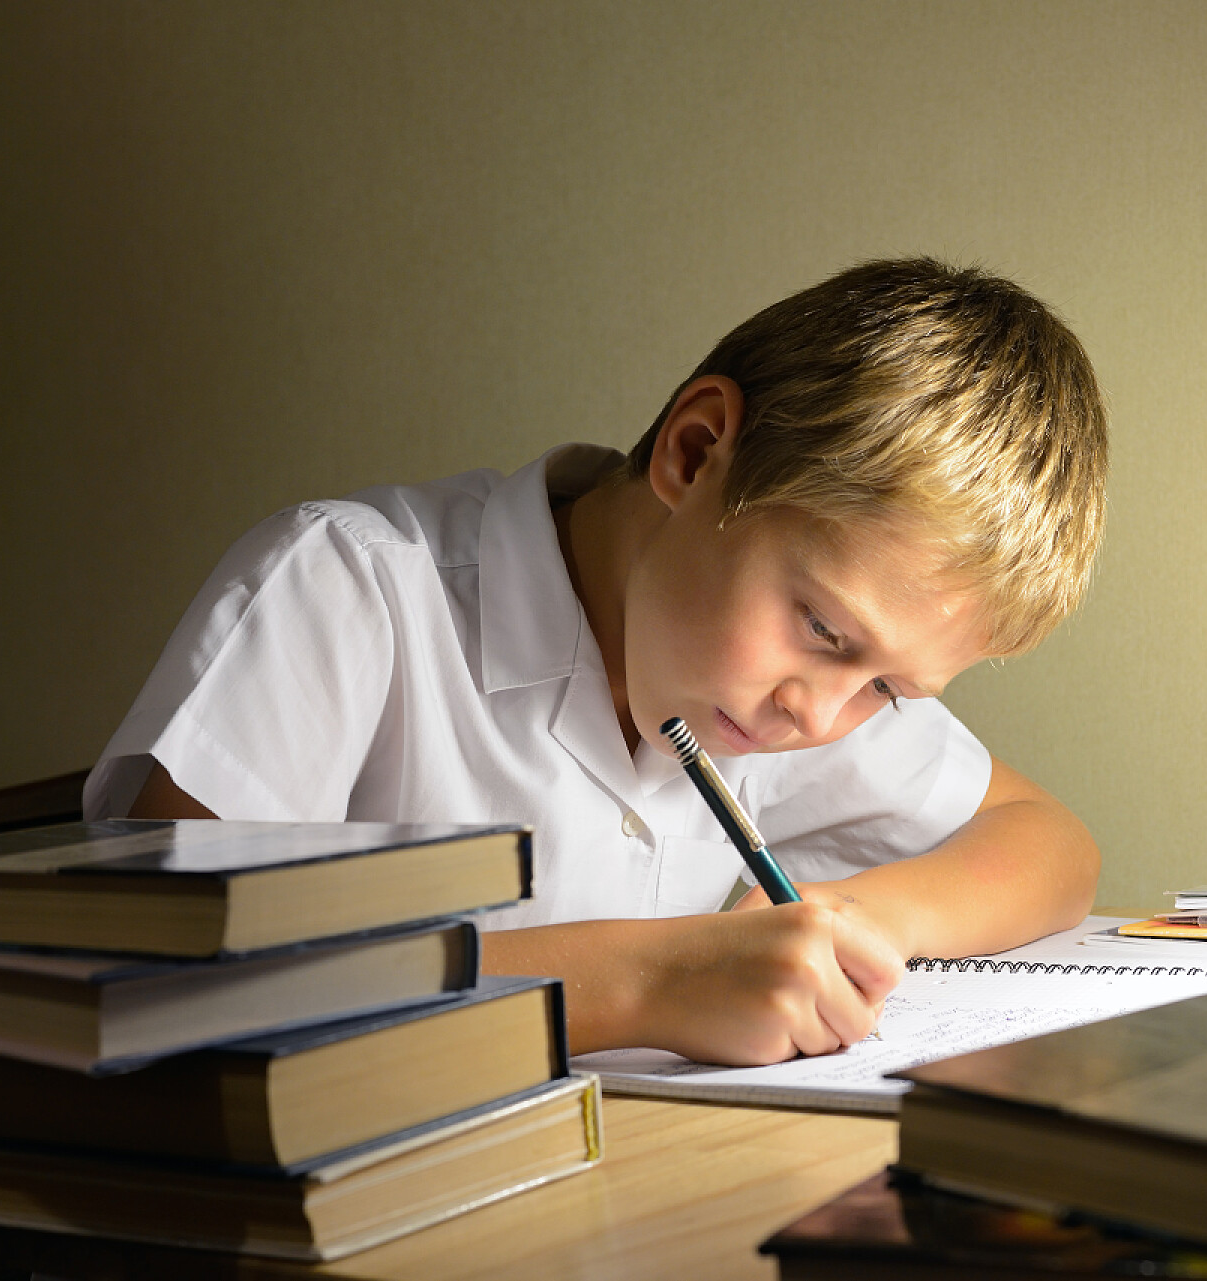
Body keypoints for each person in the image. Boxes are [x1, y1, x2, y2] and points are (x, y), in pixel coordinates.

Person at [84, 258, 1108, 1066]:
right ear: (696, 453)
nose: (825, 715)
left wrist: (857, 916)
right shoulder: (352, 590)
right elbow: (158, 983)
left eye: (887, 689)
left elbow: (1051, 846)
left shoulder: (776, 697)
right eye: (824, 631)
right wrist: (641, 986)